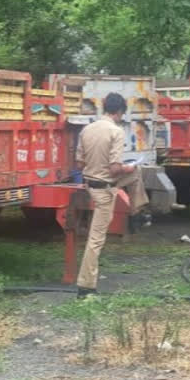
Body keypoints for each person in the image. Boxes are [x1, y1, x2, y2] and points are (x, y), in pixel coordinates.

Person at [74, 92, 150, 299]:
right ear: (119, 112)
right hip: (104, 189)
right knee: (95, 240)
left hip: (90, 182)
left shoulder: (87, 129)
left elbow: (79, 164)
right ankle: (86, 287)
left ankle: (137, 211)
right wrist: (128, 165)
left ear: (105, 108)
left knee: (137, 173)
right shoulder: (116, 132)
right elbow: (115, 168)